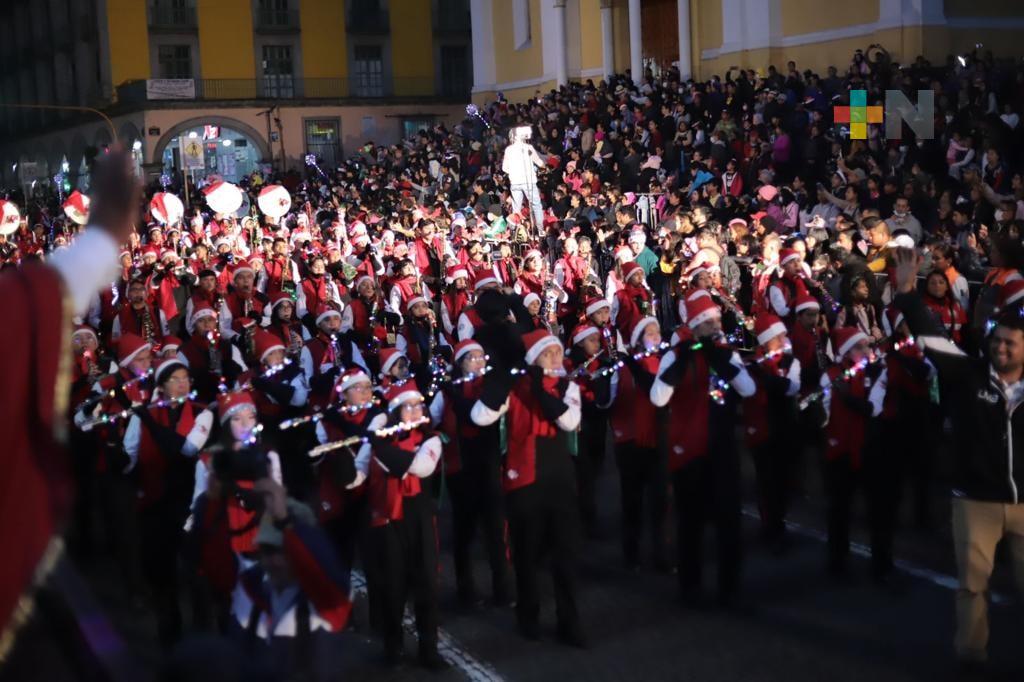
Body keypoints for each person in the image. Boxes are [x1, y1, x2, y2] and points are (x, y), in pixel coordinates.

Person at [890, 248, 1024, 674]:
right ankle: (971, 658)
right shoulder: (966, 375)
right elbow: (930, 336)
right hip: (975, 500)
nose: (1002, 348)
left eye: (1011, 343)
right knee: (972, 586)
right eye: (997, 341)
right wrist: (908, 294)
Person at [471, 329, 586, 646]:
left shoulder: (567, 386)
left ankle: (569, 622)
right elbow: (481, 416)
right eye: (546, 354)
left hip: (560, 482)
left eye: (557, 352)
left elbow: (568, 421)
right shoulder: (515, 389)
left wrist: (539, 388)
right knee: (527, 556)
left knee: (565, 558)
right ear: (533, 358)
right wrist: (504, 381)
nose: (554, 359)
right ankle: (528, 615)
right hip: (524, 482)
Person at [651, 295, 755, 606]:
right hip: (689, 452)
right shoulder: (676, 355)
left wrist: (720, 359)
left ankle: (729, 587)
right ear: (696, 326)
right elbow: (658, 398)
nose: (715, 326)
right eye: (708, 322)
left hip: (721, 449)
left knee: (728, 522)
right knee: (690, 524)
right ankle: (690, 586)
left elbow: (748, 389)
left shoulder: (726, 354)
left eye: (716, 321)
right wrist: (682, 360)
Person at [502, 126, 546, 232]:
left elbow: (504, 168)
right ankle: (540, 230)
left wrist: (514, 171)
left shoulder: (509, 149)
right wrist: (543, 166)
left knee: (516, 208)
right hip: (528, 182)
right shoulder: (528, 147)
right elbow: (539, 162)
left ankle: (516, 230)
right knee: (536, 205)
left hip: (515, 183)